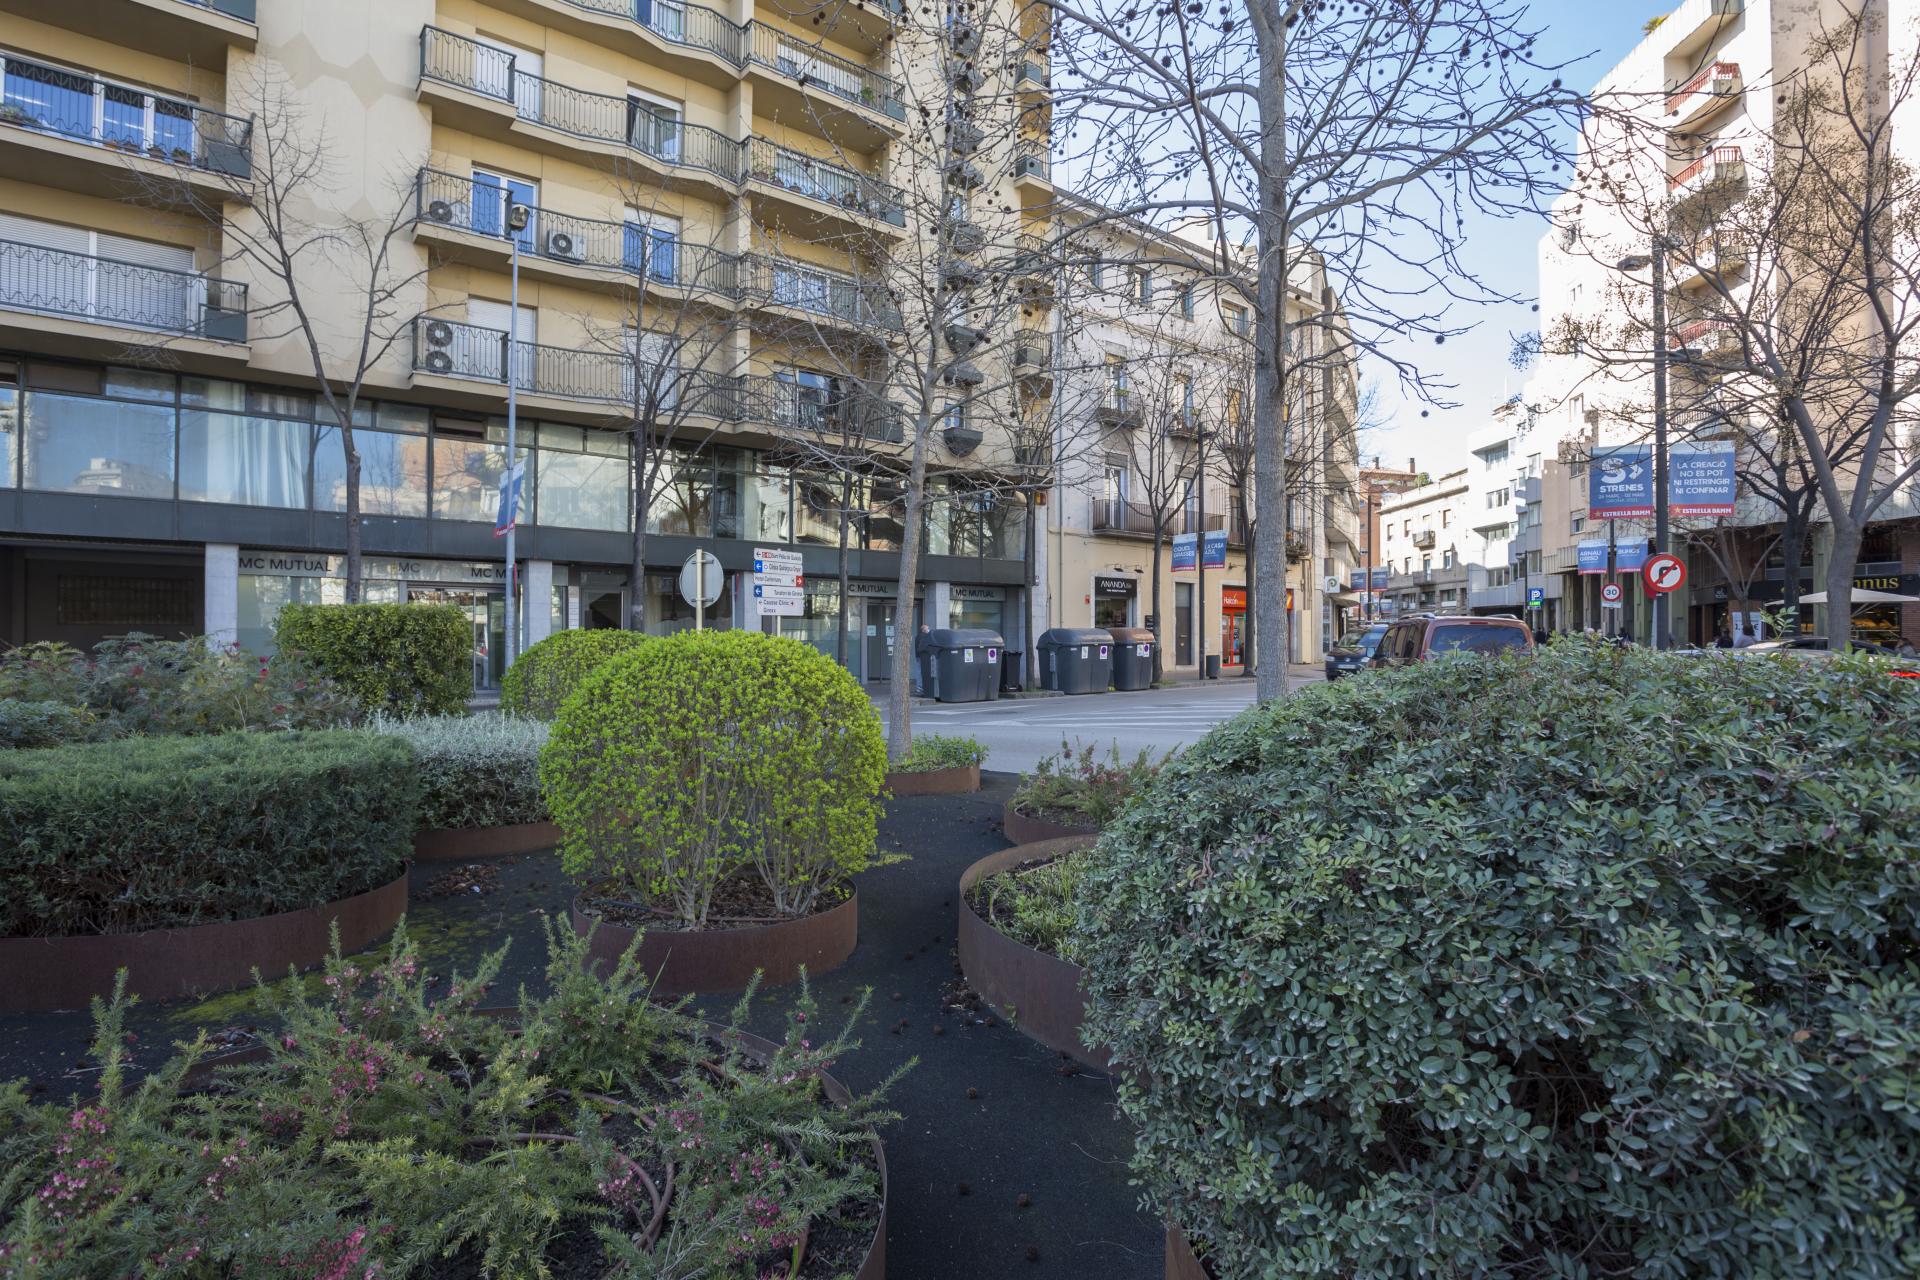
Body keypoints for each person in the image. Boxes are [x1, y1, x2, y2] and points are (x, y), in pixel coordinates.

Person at [913, 623, 933, 696]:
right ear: (924, 630)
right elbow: (924, 647)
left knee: (919, 671)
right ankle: (920, 687)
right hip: (922, 657)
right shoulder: (924, 636)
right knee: (921, 672)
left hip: (918, 656)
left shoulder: (918, 636)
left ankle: (919, 687)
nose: (928, 630)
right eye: (927, 629)